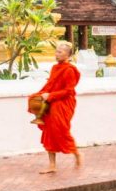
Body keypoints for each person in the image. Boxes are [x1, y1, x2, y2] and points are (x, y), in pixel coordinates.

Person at [29, 42, 82, 174]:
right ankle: (52, 165)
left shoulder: (70, 70)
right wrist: (40, 95)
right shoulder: (54, 68)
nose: (56, 54)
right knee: (49, 132)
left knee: (61, 130)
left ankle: (76, 153)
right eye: (56, 51)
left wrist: (51, 96)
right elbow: (49, 85)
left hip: (64, 103)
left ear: (68, 55)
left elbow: (69, 91)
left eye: (60, 52)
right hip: (52, 101)